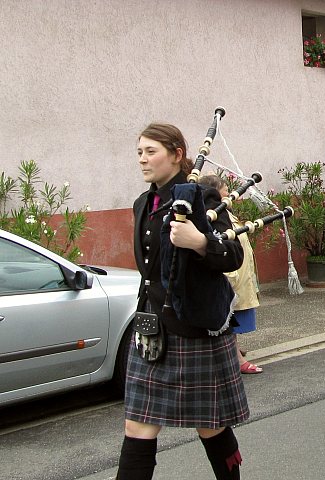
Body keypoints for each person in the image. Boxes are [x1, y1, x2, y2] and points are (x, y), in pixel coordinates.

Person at [120, 123, 247, 479]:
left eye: (151, 152)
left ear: (177, 154)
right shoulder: (142, 203)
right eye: (139, 152)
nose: (143, 160)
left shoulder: (202, 199)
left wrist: (200, 242)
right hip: (153, 329)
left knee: (211, 426)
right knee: (137, 427)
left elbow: (233, 255)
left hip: (194, 324)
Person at [198, 174, 263, 374]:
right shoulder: (211, 216)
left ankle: (232, 350)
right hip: (229, 279)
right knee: (228, 321)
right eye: (225, 189)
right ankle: (236, 357)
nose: (228, 193)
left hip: (239, 276)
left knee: (233, 321)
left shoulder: (225, 212)